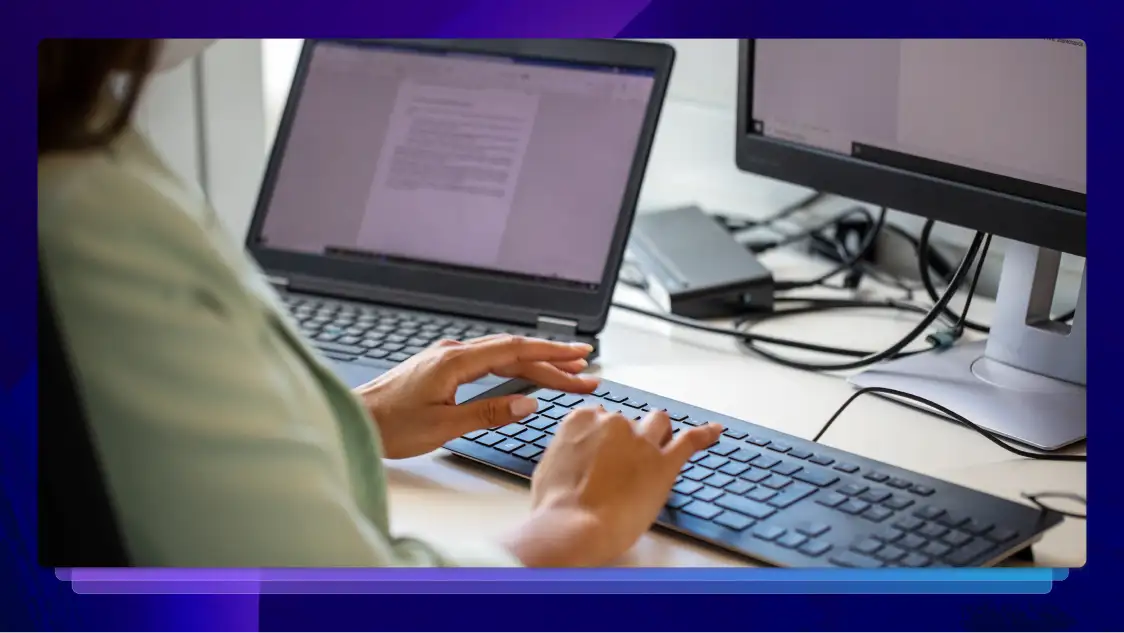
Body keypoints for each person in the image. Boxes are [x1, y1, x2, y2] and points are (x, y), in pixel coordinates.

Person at [37, 38, 723, 568]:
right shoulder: (80, 213)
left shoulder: (73, 130)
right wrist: (573, 524)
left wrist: (353, 420)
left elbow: (127, 456)